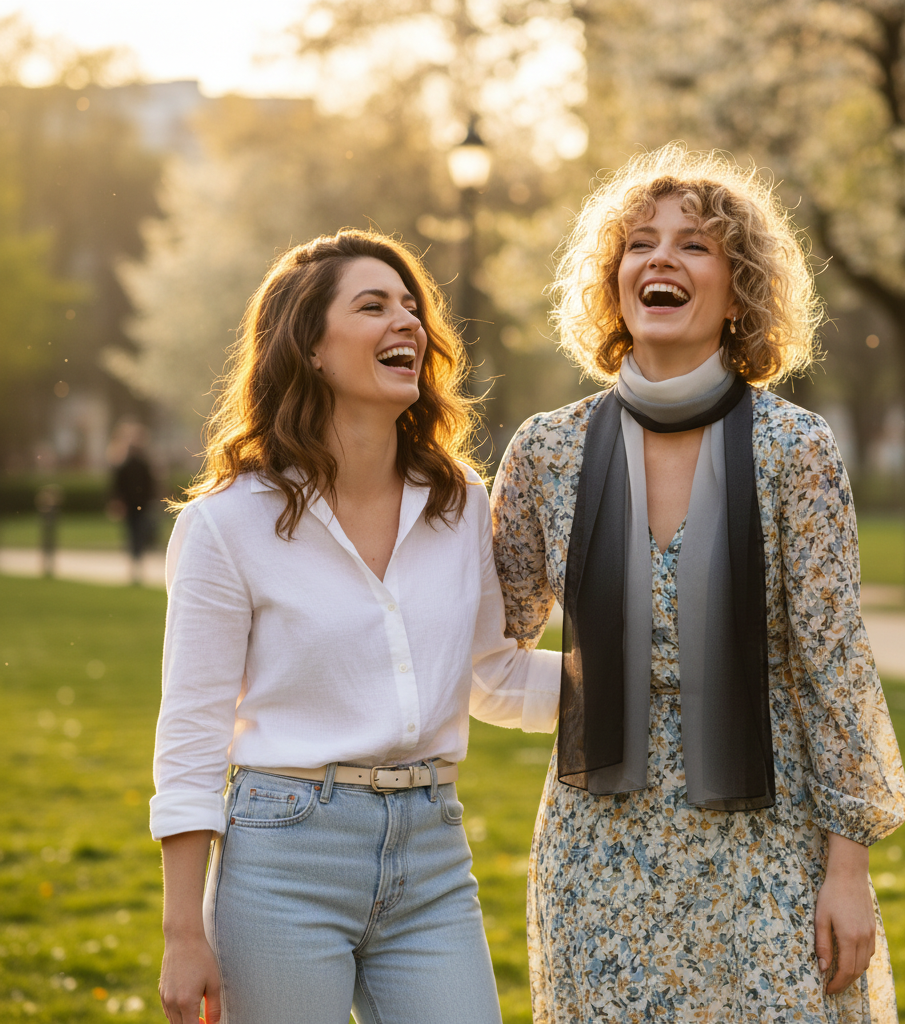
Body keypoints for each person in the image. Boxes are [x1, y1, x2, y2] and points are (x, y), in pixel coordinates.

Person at [490, 145, 905, 1023]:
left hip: (771, 830)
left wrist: (849, 866)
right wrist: (592, 686)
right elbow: (486, 645)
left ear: (738, 288)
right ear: (614, 282)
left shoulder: (795, 449)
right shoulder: (547, 452)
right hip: (599, 843)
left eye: (694, 245)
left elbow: (834, 663)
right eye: (639, 244)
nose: (661, 260)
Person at [151, 228, 561, 1024]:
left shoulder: (458, 500)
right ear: (307, 346)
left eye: (411, 307)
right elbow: (193, 734)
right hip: (284, 856)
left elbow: (493, 676)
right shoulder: (227, 524)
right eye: (372, 306)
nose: (406, 322)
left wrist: (649, 679)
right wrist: (180, 931)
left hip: (432, 849)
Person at [111, 438, 157, 585]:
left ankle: (135, 560)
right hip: (141, 505)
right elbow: (151, 484)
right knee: (138, 532)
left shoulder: (124, 466)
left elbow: (117, 488)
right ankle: (137, 560)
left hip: (132, 505)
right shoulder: (143, 465)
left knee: (133, 533)